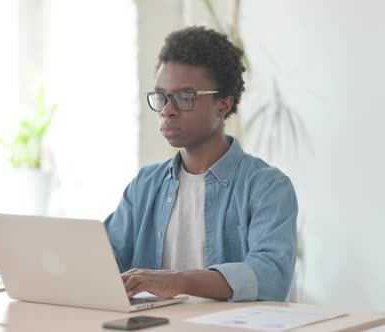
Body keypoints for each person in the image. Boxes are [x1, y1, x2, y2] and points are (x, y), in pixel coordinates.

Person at [104, 26, 298, 302]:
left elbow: (270, 276)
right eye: (161, 96)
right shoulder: (144, 186)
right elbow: (103, 258)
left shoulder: (266, 188)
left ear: (223, 105)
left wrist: (179, 280)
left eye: (185, 97)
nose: (167, 110)